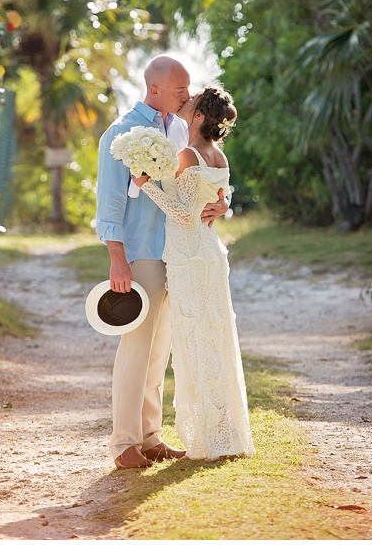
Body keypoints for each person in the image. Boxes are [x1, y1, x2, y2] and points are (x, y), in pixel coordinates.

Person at [96, 55, 229, 469]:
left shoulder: (178, 129)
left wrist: (224, 202)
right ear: (154, 90)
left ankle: (151, 436)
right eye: (179, 90)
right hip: (142, 253)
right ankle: (124, 443)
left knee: (160, 351)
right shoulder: (120, 134)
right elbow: (110, 203)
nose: (187, 96)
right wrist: (118, 259)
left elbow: (203, 177)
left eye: (188, 89)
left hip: (179, 252)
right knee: (136, 348)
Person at [132, 85, 255, 460]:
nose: (186, 101)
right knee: (212, 335)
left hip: (188, 254)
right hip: (210, 253)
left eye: (193, 100)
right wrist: (223, 205)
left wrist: (147, 185)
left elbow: (185, 214)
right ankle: (223, 431)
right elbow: (219, 196)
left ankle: (209, 437)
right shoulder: (218, 155)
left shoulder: (188, 153)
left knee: (195, 339)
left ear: (200, 116)